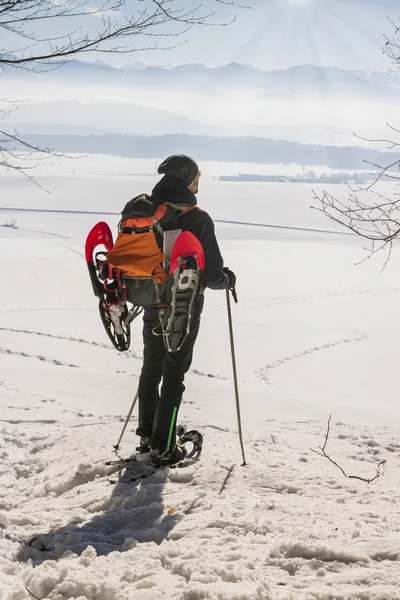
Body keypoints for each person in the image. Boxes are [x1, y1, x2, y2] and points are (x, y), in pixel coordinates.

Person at [135, 154, 236, 466]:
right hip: (184, 308)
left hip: (151, 301)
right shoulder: (197, 218)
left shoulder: (143, 212)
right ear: (186, 179)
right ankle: (164, 446)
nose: (198, 183)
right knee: (174, 371)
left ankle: (148, 435)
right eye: (196, 177)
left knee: (151, 365)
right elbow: (212, 273)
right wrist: (227, 279)